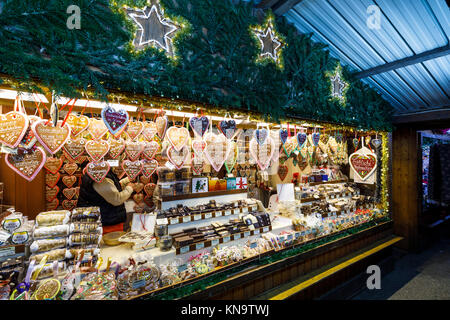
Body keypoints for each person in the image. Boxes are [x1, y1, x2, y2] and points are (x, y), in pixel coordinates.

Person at [77, 169, 134, 234]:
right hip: (106, 222)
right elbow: (116, 199)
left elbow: (111, 187)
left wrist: (125, 181)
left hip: (104, 219)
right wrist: (129, 188)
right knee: (110, 242)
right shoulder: (101, 177)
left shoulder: (96, 172)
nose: (120, 165)